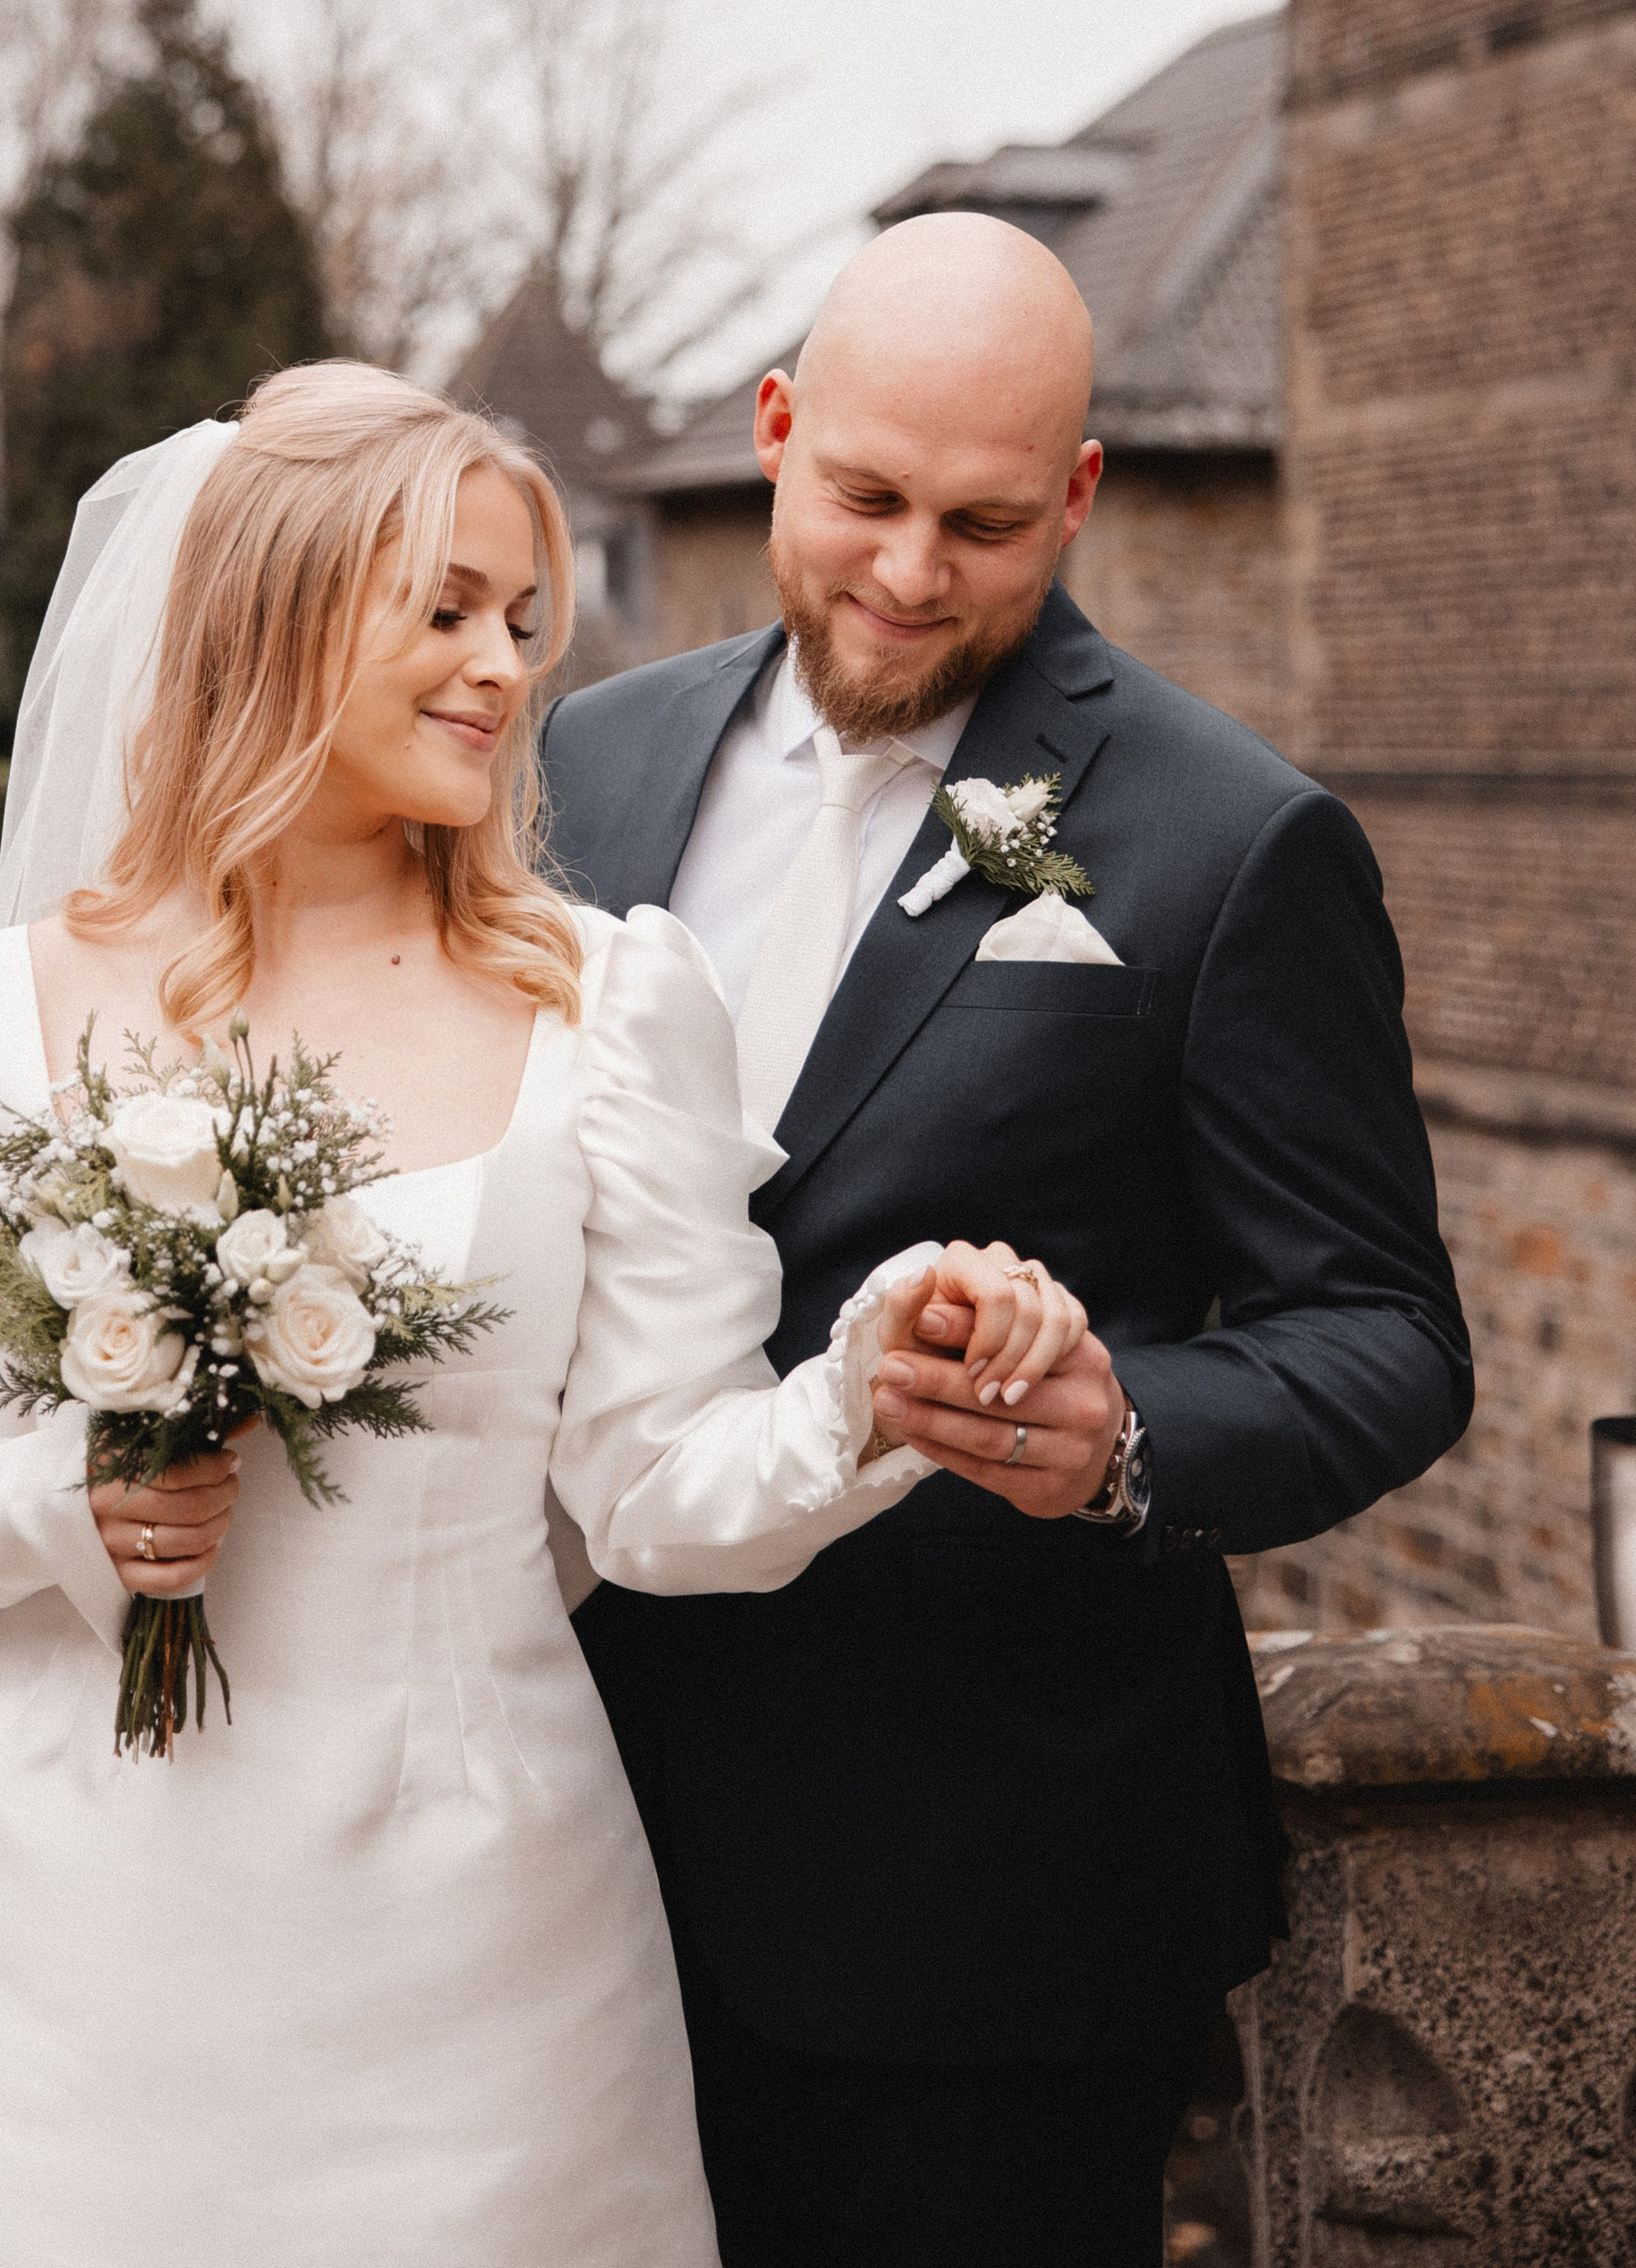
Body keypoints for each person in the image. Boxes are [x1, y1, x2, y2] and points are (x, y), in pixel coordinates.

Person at [0, 363, 1092, 2268]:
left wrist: (861, 1384)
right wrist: (70, 1499)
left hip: (474, 1957)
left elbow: (650, 1497)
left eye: (519, 619)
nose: (502, 667)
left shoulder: (601, 1008)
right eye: (441, 610)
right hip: (45, 1956)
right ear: (275, 618)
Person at [543, 214, 1475, 2268]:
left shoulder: (1231, 841)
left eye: (982, 524)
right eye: (864, 497)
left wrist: (1130, 1425)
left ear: (1078, 496)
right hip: (565, 1859)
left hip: (989, 1919)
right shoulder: (584, 762)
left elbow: (1389, 1333)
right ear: (775, 433)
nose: (904, 572)